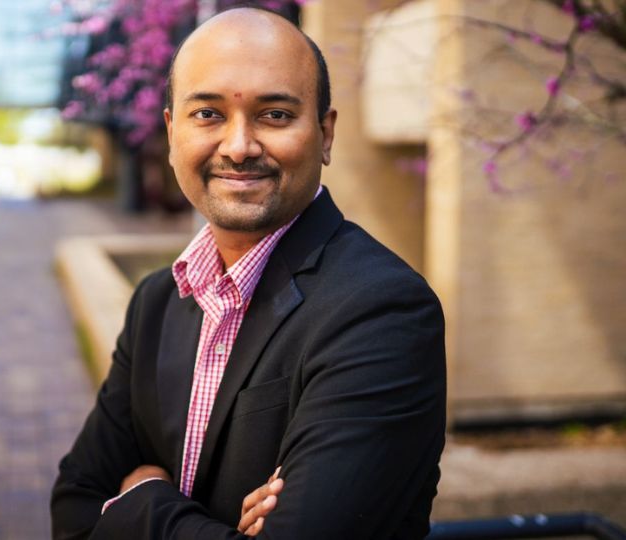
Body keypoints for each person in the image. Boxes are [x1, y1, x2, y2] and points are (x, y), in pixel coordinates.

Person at [51, 6, 446, 539]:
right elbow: (72, 509)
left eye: (275, 115)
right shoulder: (158, 301)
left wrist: (145, 501)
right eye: (208, 114)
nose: (238, 147)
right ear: (172, 133)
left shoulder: (382, 311)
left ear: (325, 134)